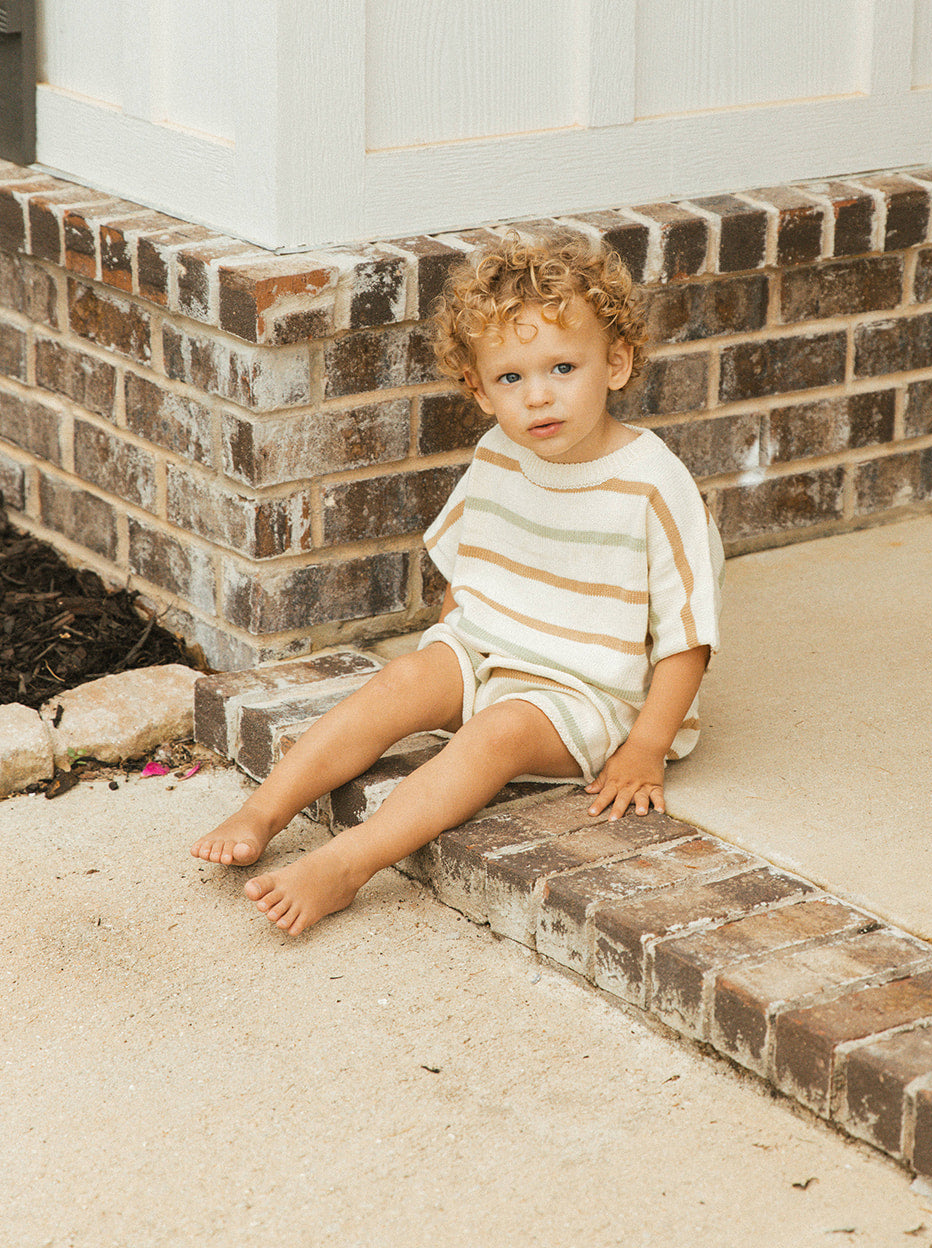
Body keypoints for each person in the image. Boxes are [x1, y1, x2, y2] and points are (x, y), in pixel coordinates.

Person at [191, 233, 724, 934]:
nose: (539, 397)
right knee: (401, 679)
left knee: (494, 736)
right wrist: (441, 661)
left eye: (563, 367)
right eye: (510, 378)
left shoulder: (653, 482)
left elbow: (689, 637)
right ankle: (266, 809)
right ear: (477, 388)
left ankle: (348, 865)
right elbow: (467, 567)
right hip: (487, 651)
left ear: (615, 362)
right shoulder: (499, 453)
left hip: (580, 697)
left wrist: (645, 749)